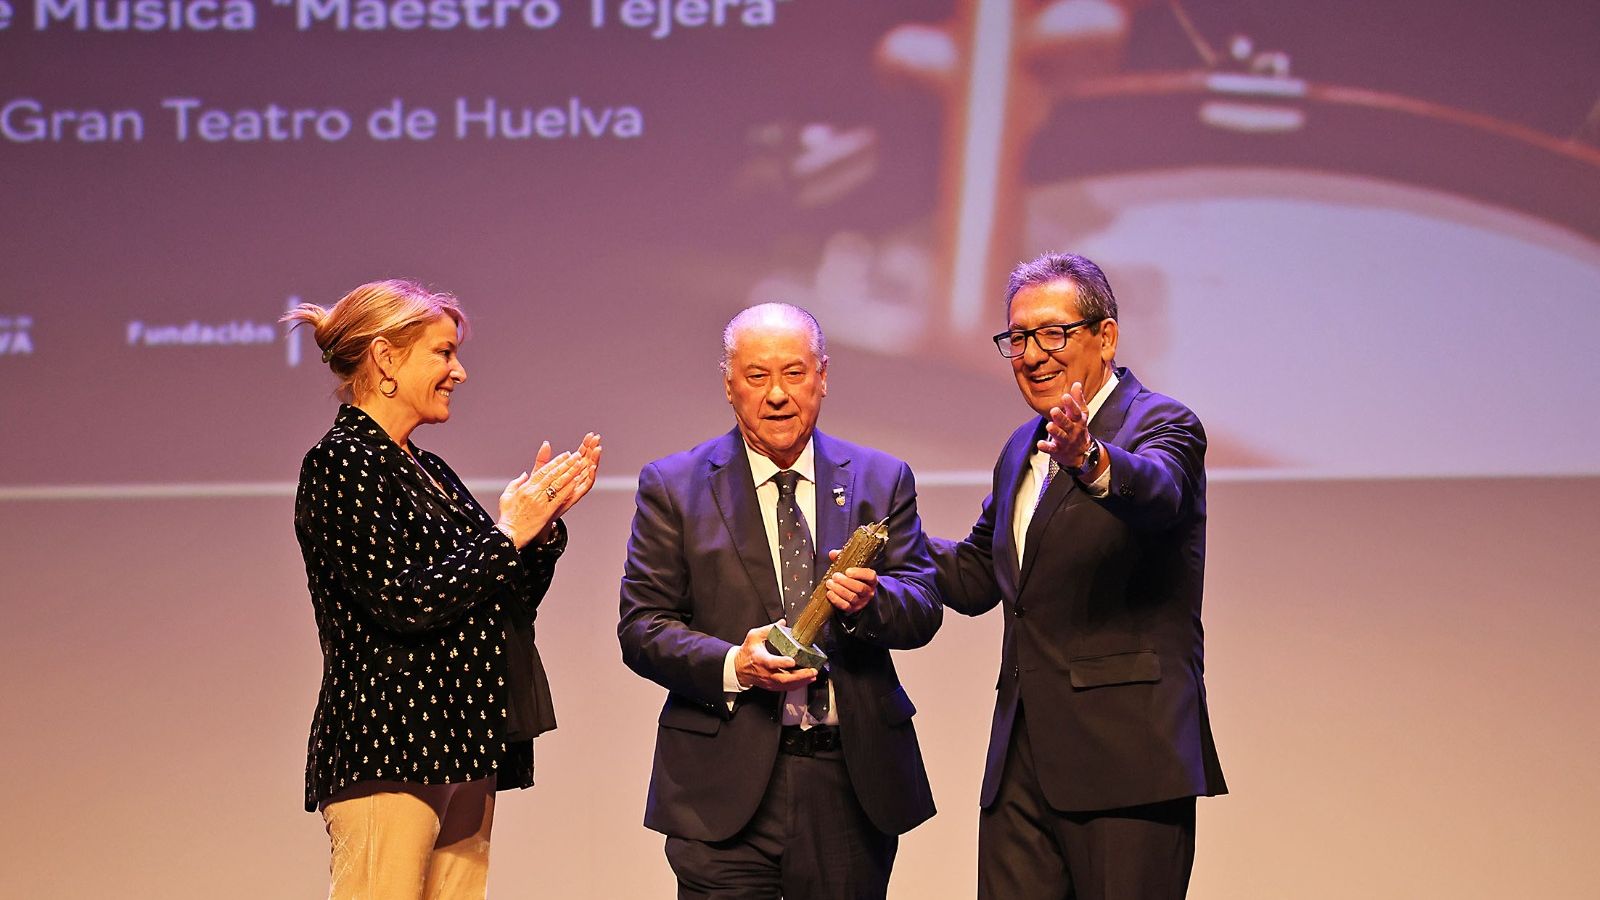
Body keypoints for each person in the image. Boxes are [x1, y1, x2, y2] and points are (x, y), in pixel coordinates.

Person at [283, 279, 602, 900]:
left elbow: (501, 597)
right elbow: (406, 601)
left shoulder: (428, 469)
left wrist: (538, 529)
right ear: (385, 359)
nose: (458, 371)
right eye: (443, 352)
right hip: (391, 743)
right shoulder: (342, 462)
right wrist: (510, 532)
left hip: (460, 740)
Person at [618, 302, 941, 900]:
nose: (776, 395)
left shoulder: (881, 477)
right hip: (722, 789)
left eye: (793, 373)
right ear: (728, 384)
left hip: (850, 782)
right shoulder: (673, 485)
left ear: (823, 376)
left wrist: (872, 603)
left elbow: (923, 605)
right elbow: (642, 626)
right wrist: (731, 666)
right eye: (757, 376)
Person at [928, 253, 1226, 900]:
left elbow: (1159, 492)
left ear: (1106, 336)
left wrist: (1089, 459)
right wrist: (886, 539)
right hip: (1021, 765)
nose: (1032, 354)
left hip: (1127, 761)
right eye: (1018, 338)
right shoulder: (1020, 448)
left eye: (1053, 333)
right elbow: (980, 575)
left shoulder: (1164, 423)